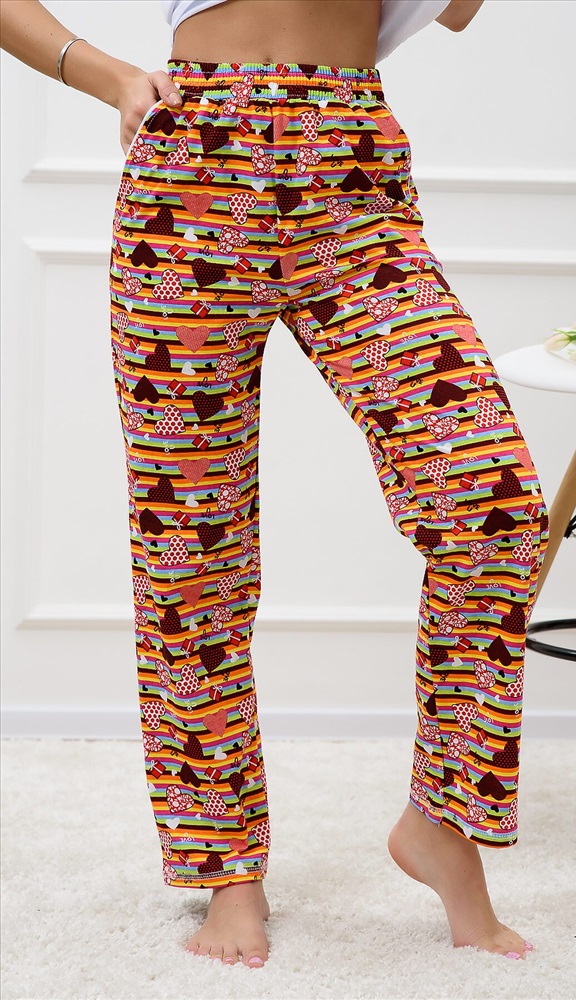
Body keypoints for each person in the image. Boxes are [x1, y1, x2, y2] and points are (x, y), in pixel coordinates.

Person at [1, 0, 548, 970]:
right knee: (190, 551)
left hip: (350, 165)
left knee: (490, 504)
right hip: (190, 161)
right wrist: (109, 75)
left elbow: (458, 10)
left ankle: (444, 822)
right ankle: (228, 874)